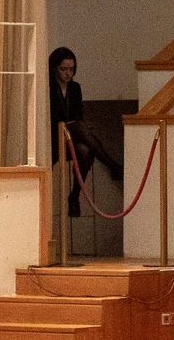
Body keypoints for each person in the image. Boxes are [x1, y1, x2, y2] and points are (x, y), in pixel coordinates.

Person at [48, 47, 121, 218]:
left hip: (70, 135)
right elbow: (55, 116)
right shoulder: (49, 87)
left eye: (71, 69)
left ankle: (74, 196)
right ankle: (112, 165)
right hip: (54, 134)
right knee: (80, 128)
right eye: (63, 69)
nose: (68, 73)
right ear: (54, 68)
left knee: (85, 150)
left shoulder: (75, 88)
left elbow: (77, 113)